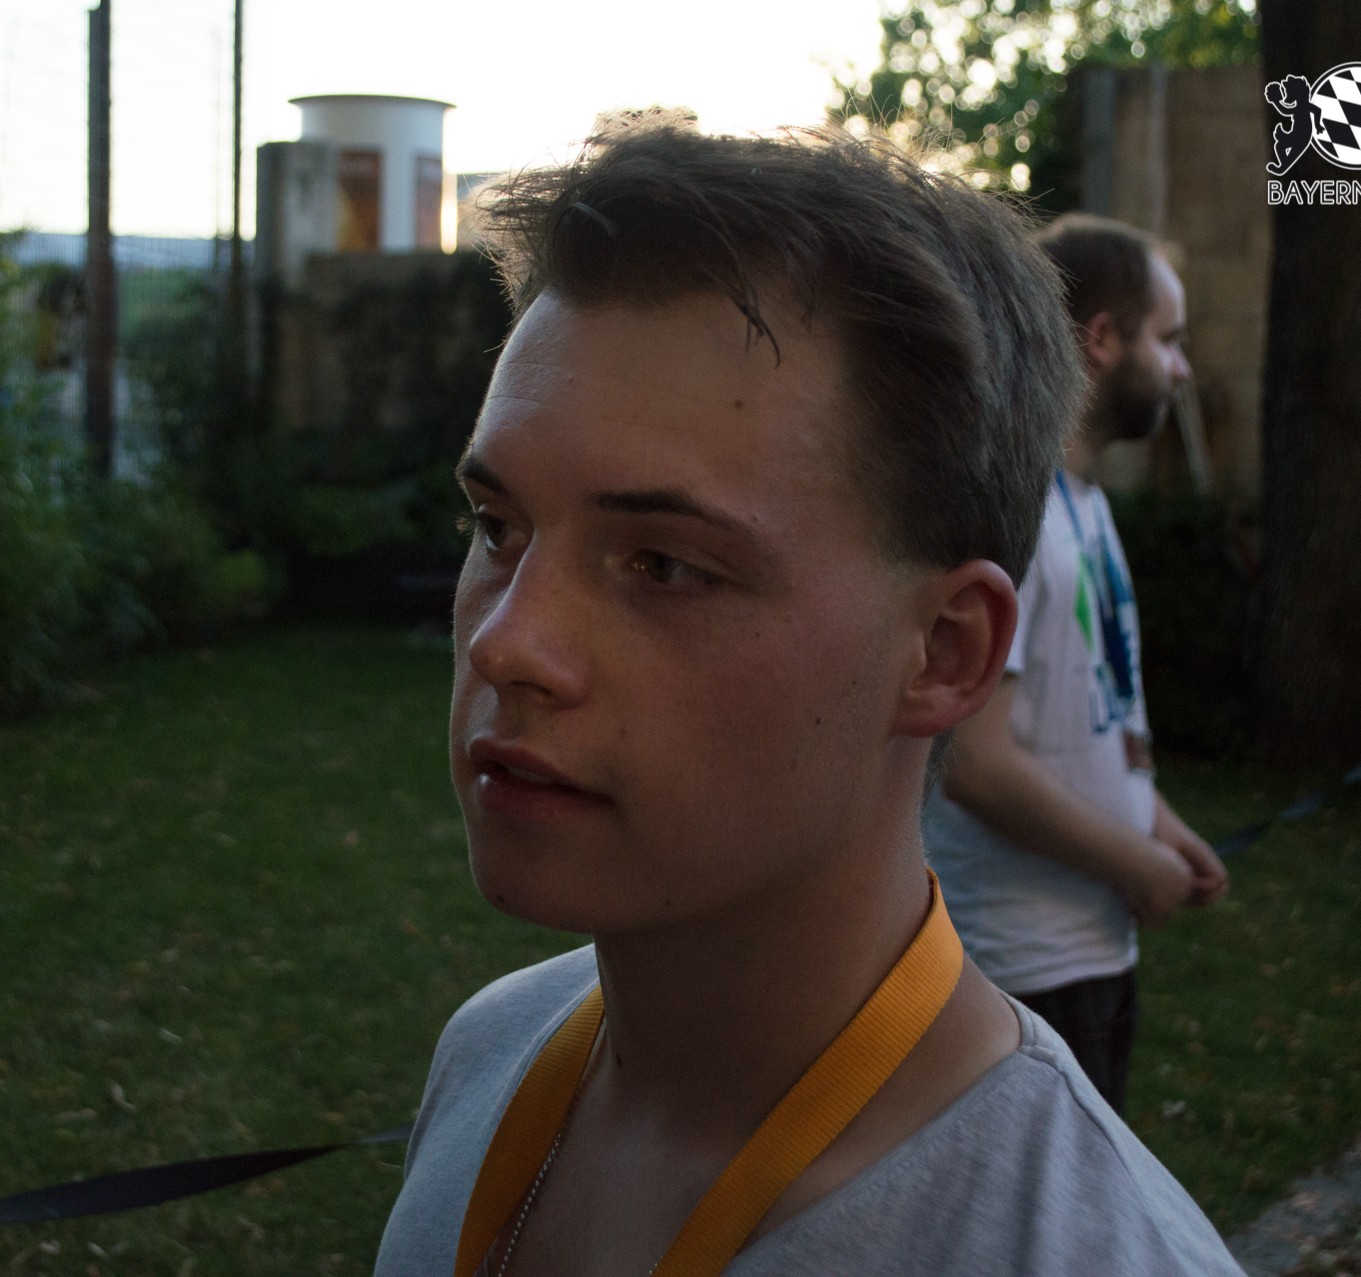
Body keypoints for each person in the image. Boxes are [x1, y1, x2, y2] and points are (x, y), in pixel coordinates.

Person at [374, 120, 1241, 1275]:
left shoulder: (1075, 1247)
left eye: (665, 565)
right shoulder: (489, 1053)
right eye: (498, 526)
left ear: (944, 651)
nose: (507, 641)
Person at [922, 213, 1230, 1116]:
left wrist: (1159, 826)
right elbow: (974, 762)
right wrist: (1136, 863)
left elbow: (1085, 712)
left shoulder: (1083, 503)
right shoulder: (1016, 517)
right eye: (1168, 340)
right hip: (1023, 968)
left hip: (1089, 948)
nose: (1180, 368)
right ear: (1102, 339)